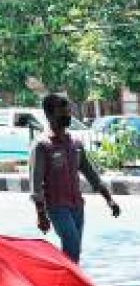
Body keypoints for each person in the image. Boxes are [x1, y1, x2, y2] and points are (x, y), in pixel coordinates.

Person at [30, 93, 121, 264]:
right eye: (62, 113)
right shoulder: (42, 146)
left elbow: (91, 174)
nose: (67, 116)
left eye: (68, 112)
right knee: (71, 245)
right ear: (49, 115)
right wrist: (41, 214)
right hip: (57, 208)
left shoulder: (75, 144)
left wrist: (109, 199)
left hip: (77, 206)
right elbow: (36, 185)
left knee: (74, 251)